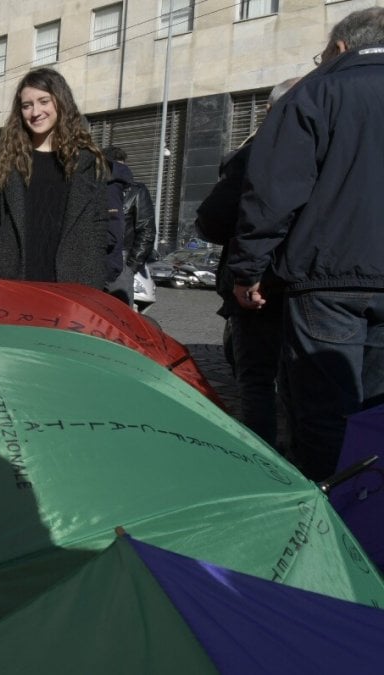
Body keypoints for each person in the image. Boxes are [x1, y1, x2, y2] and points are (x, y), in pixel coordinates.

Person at [228, 7, 384, 480]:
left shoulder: (315, 92)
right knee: (377, 413)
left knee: (324, 412)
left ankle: (330, 516)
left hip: (326, 282)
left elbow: (274, 194)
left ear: (340, 47)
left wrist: (248, 269)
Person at [195, 78, 299, 450]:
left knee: (257, 379)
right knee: (302, 381)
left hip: (258, 285)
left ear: (269, 111)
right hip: (312, 284)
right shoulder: (336, 145)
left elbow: (213, 218)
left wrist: (247, 271)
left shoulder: (257, 150)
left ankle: (264, 461)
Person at [0, 68, 110, 288]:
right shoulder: (7, 160)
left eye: (44, 101)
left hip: (74, 280)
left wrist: (95, 276)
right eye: (27, 105)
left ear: (60, 102)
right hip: (13, 278)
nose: (35, 112)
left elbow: (98, 224)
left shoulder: (86, 160)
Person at [102, 146, 156, 306]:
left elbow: (146, 230)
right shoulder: (96, 188)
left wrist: (131, 267)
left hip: (122, 262)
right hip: (96, 261)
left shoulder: (136, 191)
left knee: (119, 315)